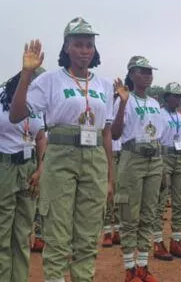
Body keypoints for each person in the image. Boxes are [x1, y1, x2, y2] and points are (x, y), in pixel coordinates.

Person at [9, 17, 114, 282]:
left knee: (88, 236)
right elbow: (16, 114)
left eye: (89, 44)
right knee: (57, 234)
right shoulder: (51, 81)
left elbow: (107, 133)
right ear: (66, 47)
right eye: (78, 44)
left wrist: (111, 177)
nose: (84, 50)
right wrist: (25, 75)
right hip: (61, 157)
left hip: (95, 161)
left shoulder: (103, 86)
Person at [112, 56, 163, 282]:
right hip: (133, 157)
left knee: (149, 213)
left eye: (150, 71)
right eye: (143, 71)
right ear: (132, 74)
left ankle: (143, 264)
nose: (148, 75)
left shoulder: (154, 103)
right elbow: (115, 133)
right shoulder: (125, 98)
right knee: (129, 214)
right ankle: (129, 267)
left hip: (154, 159)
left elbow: (158, 134)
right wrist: (122, 103)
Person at [0, 68, 46, 281]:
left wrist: (40, 168)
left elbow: (40, 137)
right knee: (2, 233)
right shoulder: (2, 101)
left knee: (22, 233)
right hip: (5, 168)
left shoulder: (36, 105)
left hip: (29, 170)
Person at [153, 82, 181, 261]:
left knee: (180, 200)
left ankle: (176, 239)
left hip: (180, 156)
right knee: (160, 200)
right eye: (175, 96)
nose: (178, 99)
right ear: (166, 97)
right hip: (163, 155)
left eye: (180, 96)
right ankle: (158, 241)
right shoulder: (159, 114)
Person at [102, 90, 122, 248]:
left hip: (126, 152)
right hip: (113, 152)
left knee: (122, 193)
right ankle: (107, 230)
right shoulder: (109, 106)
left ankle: (119, 229)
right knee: (110, 193)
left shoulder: (129, 104)